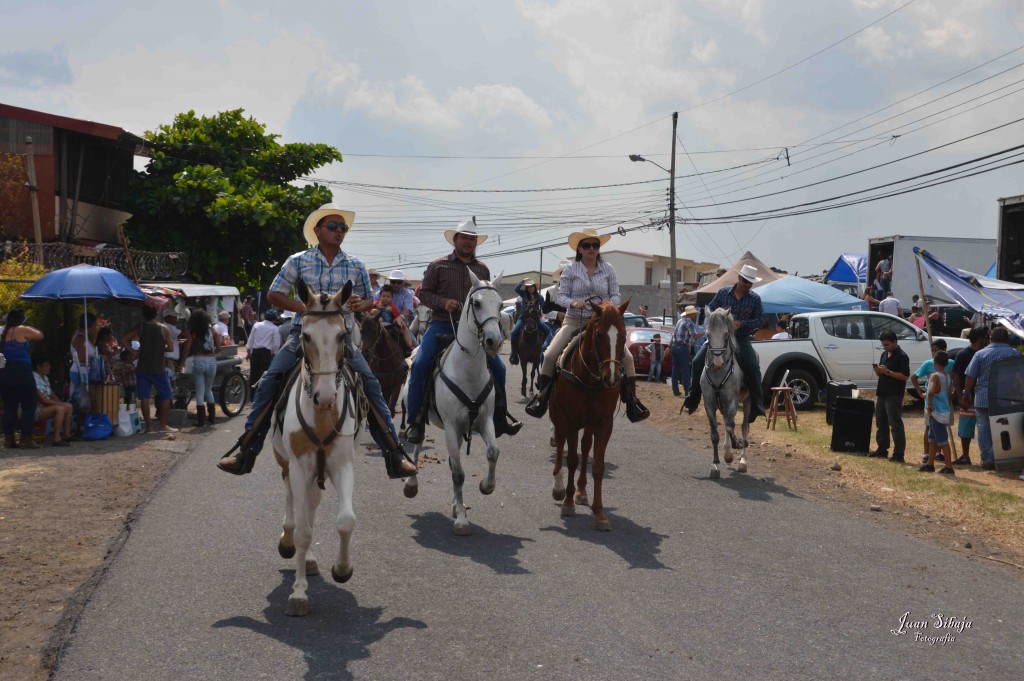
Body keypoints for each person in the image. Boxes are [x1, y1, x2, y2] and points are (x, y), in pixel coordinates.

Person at [217, 203, 417, 479]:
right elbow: (275, 294)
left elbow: (368, 299)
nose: (339, 231)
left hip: (341, 338)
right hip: (304, 335)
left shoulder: (355, 264)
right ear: (317, 230)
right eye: (333, 227)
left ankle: (394, 453)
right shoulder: (298, 260)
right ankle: (246, 449)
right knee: (270, 380)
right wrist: (305, 309)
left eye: (342, 228)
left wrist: (361, 303)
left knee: (371, 384)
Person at [404, 216, 525, 442]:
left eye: (472, 239)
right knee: (420, 365)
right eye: (464, 238)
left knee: (499, 369)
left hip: (475, 331)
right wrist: (443, 303)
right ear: (455, 240)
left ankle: (500, 419)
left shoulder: (482, 269)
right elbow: (424, 294)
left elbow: (489, 299)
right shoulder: (438, 265)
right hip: (442, 324)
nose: (468, 242)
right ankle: (415, 422)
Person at [525, 227, 649, 422]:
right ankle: (542, 399)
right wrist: (573, 303)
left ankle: (633, 403)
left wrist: (608, 305)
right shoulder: (570, 270)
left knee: (629, 359)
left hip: (602, 322)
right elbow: (562, 295)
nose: (592, 248)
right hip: (575, 320)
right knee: (549, 355)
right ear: (579, 249)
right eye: (587, 245)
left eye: (595, 245)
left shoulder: (608, 269)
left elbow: (615, 294)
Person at [682, 264, 767, 420]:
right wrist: (717, 319)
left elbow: (760, 320)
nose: (748, 285)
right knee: (696, 361)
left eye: (750, 283)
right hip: (719, 337)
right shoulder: (723, 293)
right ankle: (693, 395)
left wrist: (742, 323)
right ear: (740, 278)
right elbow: (711, 308)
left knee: (753, 365)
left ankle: (757, 403)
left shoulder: (755, 299)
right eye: (746, 281)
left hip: (741, 337)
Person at [963, 326, 1021, 470]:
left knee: (984, 429)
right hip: (1005, 398)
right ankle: (1002, 458)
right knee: (1004, 428)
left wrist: (966, 393)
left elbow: (971, 376)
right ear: (1006, 339)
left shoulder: (980, 354)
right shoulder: (1015, 354)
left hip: (983, 397)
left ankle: (987, 459)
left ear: (991, 338)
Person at [120, 306, 177, 433]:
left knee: (144, 398)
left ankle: (149, 427)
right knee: (166, 396)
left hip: (143, 368)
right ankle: (163, 425)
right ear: (156, 314)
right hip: (158, 367)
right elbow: (171, 348)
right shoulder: (164, 329)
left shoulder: (140, 327)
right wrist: (160, 348)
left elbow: (123, 339)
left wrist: (133, 351)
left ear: (143, 315)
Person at [0, 309, 43, 449]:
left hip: (5, 372)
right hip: (22, 371)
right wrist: (27, 329)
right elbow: (40, 335)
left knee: (9, 407)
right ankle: (26, 438)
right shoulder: (21, 329)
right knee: (28, 405)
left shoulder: (2, 332)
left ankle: (9, 439)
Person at [869, 330, 910, 462]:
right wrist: (879, 371)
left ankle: (899, 453)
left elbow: (904, 376)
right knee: (881, 422)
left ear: (895, 342)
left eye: (887, 344)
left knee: (895, 423)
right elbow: (883, 373)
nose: (885, 347)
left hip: (894, 394)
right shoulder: (884, 354)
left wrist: (886, 371)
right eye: (883, 344)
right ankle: (882, 449)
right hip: (882, 392)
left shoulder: (902, 356)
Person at [950, 326, 989, 465]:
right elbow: (956, 375)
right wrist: (960, 395)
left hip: (983, 397)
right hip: (968, 398)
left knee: (986, 428)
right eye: (986, 337)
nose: (989, 339)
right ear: (980, 338)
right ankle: (965, 455)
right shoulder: (963, 354)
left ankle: (987, 456)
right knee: (966, 428)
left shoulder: (986, 353)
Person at [179, 309, 220, 428]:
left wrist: (182, 363)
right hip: (212, 361)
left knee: (200, 391)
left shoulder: (193, 332)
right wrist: (212, 355)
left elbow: (187, 349)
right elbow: (219, 347)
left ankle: (200, 420)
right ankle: (212, 418)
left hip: (198, 360)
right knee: (209, 390)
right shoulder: (212, 330)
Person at [912, 338, 948, 462]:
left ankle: (939, 455)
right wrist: (921, 393)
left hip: (942, 407)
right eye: (932, 350)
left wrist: (951, 396)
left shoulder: (948, 367)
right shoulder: (928, 365)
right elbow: (915, 378)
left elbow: (952, 383)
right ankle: (927, 455)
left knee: (941, 435)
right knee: (930, 430)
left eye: (936, 351)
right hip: (931, 406)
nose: (933, 353)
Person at [919, 351, 954, 475]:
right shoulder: (947, 376)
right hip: (944, 411)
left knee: (943, 440)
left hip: (936, 412)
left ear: (934, 363)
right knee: (932, 439)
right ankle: (930, 464)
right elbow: (950, 393)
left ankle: (949, 467)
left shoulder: (935, 376)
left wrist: (929, 404)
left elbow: (931, 391)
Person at [32, 356, 73, 447]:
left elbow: (52, 395)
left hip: (45, 407)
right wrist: (60, 404)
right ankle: (56, 438)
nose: (49, 367)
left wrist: (63, 403)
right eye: (46, 365)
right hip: (36, 409)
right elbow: (43, 400)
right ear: (39, 367)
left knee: (68, 406)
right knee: (60, 408)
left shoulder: (45, 378)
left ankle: (66, 434)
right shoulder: (34, 378)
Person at [509, 278, 550, 366]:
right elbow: (516, 288)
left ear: (535, 287)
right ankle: (514, 353)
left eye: (532, 287)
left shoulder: (540, 297)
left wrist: (538, 311)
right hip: (523, 318)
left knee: (547, 330)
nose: (530, 288)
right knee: (513, 333)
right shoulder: (523, 294)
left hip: (536, 318)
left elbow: (544, 309)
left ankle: (548, 351)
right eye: (528, 287)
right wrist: (523, 280)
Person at [370, 285, 414, 353]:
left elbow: (397, 317)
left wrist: (397, 320)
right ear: (380, 297)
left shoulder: (392, 307)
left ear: (391, 298)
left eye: (388, 297)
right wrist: (375, 309)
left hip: (389, 327)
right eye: (383, 296)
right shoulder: (376, 304)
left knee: (404, 328)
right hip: (377, 326)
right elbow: (369, 309)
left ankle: (409, 346)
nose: (385, 298)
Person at [246, 309, 281, 389]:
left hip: (255, 352)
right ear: (275, 319)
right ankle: (261, 392)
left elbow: (250, 340)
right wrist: (273, 354)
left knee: (253, 374)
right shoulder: (274, 328)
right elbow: (276, 345)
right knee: (264, 375)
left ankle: (252, 394)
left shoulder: (256, 325)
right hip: (266, 354)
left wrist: (248, 352)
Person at [671, 305, 700, 397]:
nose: (695, 315)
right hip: (682, 347)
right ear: (690, 314)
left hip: (675, 346)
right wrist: (706, 332)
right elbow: (694, 335)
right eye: (694, 314)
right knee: (685, 370)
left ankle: (675, 391)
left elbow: (674, 335)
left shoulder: (680, 321)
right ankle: (687, 391)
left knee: (675, 369)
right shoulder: (689, 322)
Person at [69, 312, 99, 393]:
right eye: (95, 324)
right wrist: (95, 360)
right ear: (91, 324)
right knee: (80, 398)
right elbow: (81, 357)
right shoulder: (80, 337)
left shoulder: (84, 336)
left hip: (85, 371)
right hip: (80, 372)